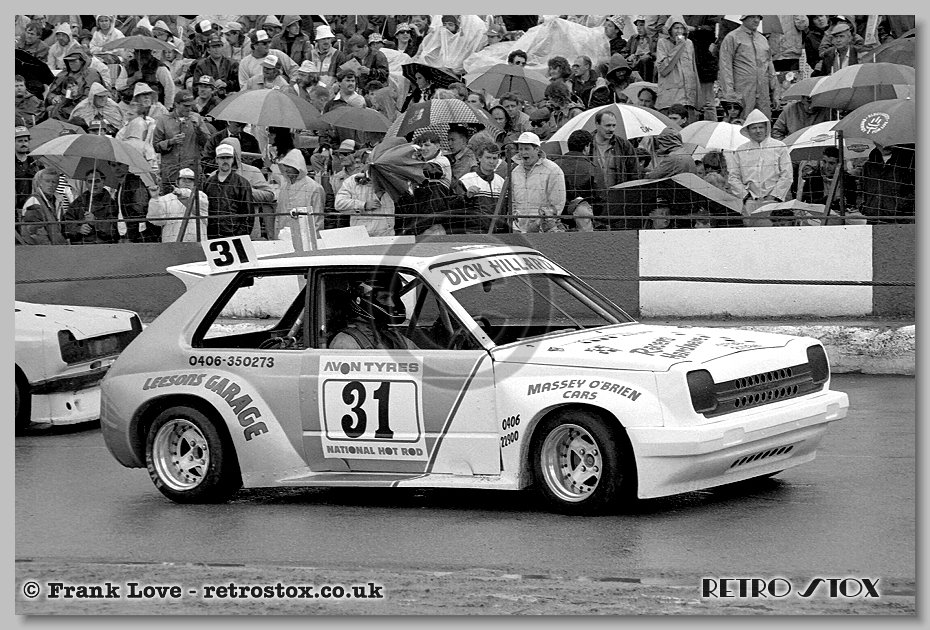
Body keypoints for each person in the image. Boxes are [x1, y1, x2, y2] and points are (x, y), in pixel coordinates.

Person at [725, 109, 793, 226]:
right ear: (748, 130)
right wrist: (745, 196)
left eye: (761, 127)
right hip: (750, 201)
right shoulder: (741, 150)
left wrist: (774, 196)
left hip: (775, 201)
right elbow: (733, 177)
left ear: (766, 128)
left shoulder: (780, 147)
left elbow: (787, 174)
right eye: (754, 128)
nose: (758, 131)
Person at [329, 277, 416, 350]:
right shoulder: (345, 343)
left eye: (394, 298)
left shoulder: (394, 337)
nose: (393, 304)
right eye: (384, 298)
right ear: (359, 301)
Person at [717, 15, 778, 119]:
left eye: (758, 17)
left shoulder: (763, 39)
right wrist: (729, 93)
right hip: (742, 91)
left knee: (763, 121)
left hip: (763, 92)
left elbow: (770, 67)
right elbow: (725, 67)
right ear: (744, 18)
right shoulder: (732, 37)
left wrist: (775, 92)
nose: (756, 20)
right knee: (740, 122)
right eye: (752, 17)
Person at [153, 90, 212, 193]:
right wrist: (171, 142)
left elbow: (207, 143)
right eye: (186, 106)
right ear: (176, 104)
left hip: (192, 171)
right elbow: (156, 146)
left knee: (193, 200)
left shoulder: (196, 118)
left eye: (191, 106)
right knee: (170, 200)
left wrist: (198, 129)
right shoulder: (164, 120)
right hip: (171, 172)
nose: (189, 109)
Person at [510, 131, 566, 233]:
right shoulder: (515, 172)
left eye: (527, 149)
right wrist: (515, 221)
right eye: (520, 149)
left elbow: (557, 203)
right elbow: (513, 201)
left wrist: (540, 222)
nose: (523, 152)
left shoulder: (553, 170)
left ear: (537, 149)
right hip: (519, 229)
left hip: (544, 230)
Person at [551, 130, 603, 232]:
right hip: (584, 222)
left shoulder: (554, 165)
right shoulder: (593, 169)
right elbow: (600, 199)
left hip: (556, 220)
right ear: (587, 146)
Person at [273, 148, 325, 251]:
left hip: (305, 239)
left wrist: (314, 243)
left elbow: (317, 219)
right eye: (285, 166)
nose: (287, 169)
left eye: (290, 166)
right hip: (283, 237)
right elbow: (279, 213)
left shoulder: (314, 188)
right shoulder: (284, 185)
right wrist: (276, 236)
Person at [334, 154, 396, 237]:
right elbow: (339, 204)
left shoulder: (390, 180)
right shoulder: (352, 181)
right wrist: (363, 205)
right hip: (362, 234)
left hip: (387, 234)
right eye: (368, 163)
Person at [203, 143, 255, 238]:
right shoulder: (208, 183)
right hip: (211, 234)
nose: (225, 161)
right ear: (216, 160)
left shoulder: (242, 183)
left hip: (234, 234)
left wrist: (241, 235)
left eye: (228, 158)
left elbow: (248, 213)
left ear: (233, 159)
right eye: (222, 158)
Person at [453, 141, 506, 233]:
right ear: (479, 158)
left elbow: (505, 210)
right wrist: (466, 197)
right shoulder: (466, 180)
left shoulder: (502, 182)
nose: (491, 161)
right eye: (488, 157)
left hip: (498, 234)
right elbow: (454, 207)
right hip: (473, 233)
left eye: (494, 158)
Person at [145, 167, 209, 242]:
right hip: (172, 242)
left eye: (190, 181)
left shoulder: (201, 196)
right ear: (177, 182)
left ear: (194, 183)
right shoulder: (166, 199)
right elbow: (157, 221)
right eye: (184, 180)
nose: (187, 183)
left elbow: (197, 208)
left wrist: (181, 193)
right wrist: (155, 198)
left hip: (197, 242)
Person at [655, 16, 699, 120]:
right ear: (670, 29)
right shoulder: (662, 43)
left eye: (681, 28)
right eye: (676, 28)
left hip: (688, 99)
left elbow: (693, 69)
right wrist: (679, 46)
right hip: (670, 99)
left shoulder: (689, 43)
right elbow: (663, 70)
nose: (679, 31)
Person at [858, 143, 915, 224]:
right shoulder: (868, 165)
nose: (884, 145)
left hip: (902, 220)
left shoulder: (909, 162)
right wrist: (864, 207)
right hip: (874, 219)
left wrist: (904, 207)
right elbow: (861, 189)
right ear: (874, 141)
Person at [60, 168, 118, 244]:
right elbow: (65, 226)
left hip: (103, 247)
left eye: (97, 181)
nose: (94, 184)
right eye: (90, 181)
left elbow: (114, 231)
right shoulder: (78, 202)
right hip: (80, 247)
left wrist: (95, 222)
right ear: (86, 183)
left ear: (103, 182)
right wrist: (78, 229)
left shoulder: (111, 204)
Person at [798, 146, 858, 213]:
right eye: (824, 162)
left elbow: (852, 203)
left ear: (839, 164)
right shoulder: (813, 178)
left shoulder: (848, 179)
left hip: (841, 214)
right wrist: (827, 199)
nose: (827, 166)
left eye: (831, 163)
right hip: (817, 213)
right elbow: (807, 202)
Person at [19, 169, 69, 245]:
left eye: (54, 182)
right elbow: (35, 232)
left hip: (56, 247)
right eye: (47, 181)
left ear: (58, 184)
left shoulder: (57, 201)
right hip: (41, 248)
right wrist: (49, 248)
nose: (51, 185)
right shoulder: (34, 202)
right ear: (40, 183)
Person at [15, 127, 39, 222]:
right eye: (20, 141)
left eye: (26, 141)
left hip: (32, 207)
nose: (24, 143)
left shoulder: (36, 162)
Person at [625, 16, 656, 82]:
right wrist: (628, 57)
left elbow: (657, 54)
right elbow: (625, 51)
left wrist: (650, 55)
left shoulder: (653, 38)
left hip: (647, 63)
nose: (638, 28)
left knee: (645, 59)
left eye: (641, 25)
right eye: (637, 25)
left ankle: (645, 84)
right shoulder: (633, 38)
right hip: (634, 62)